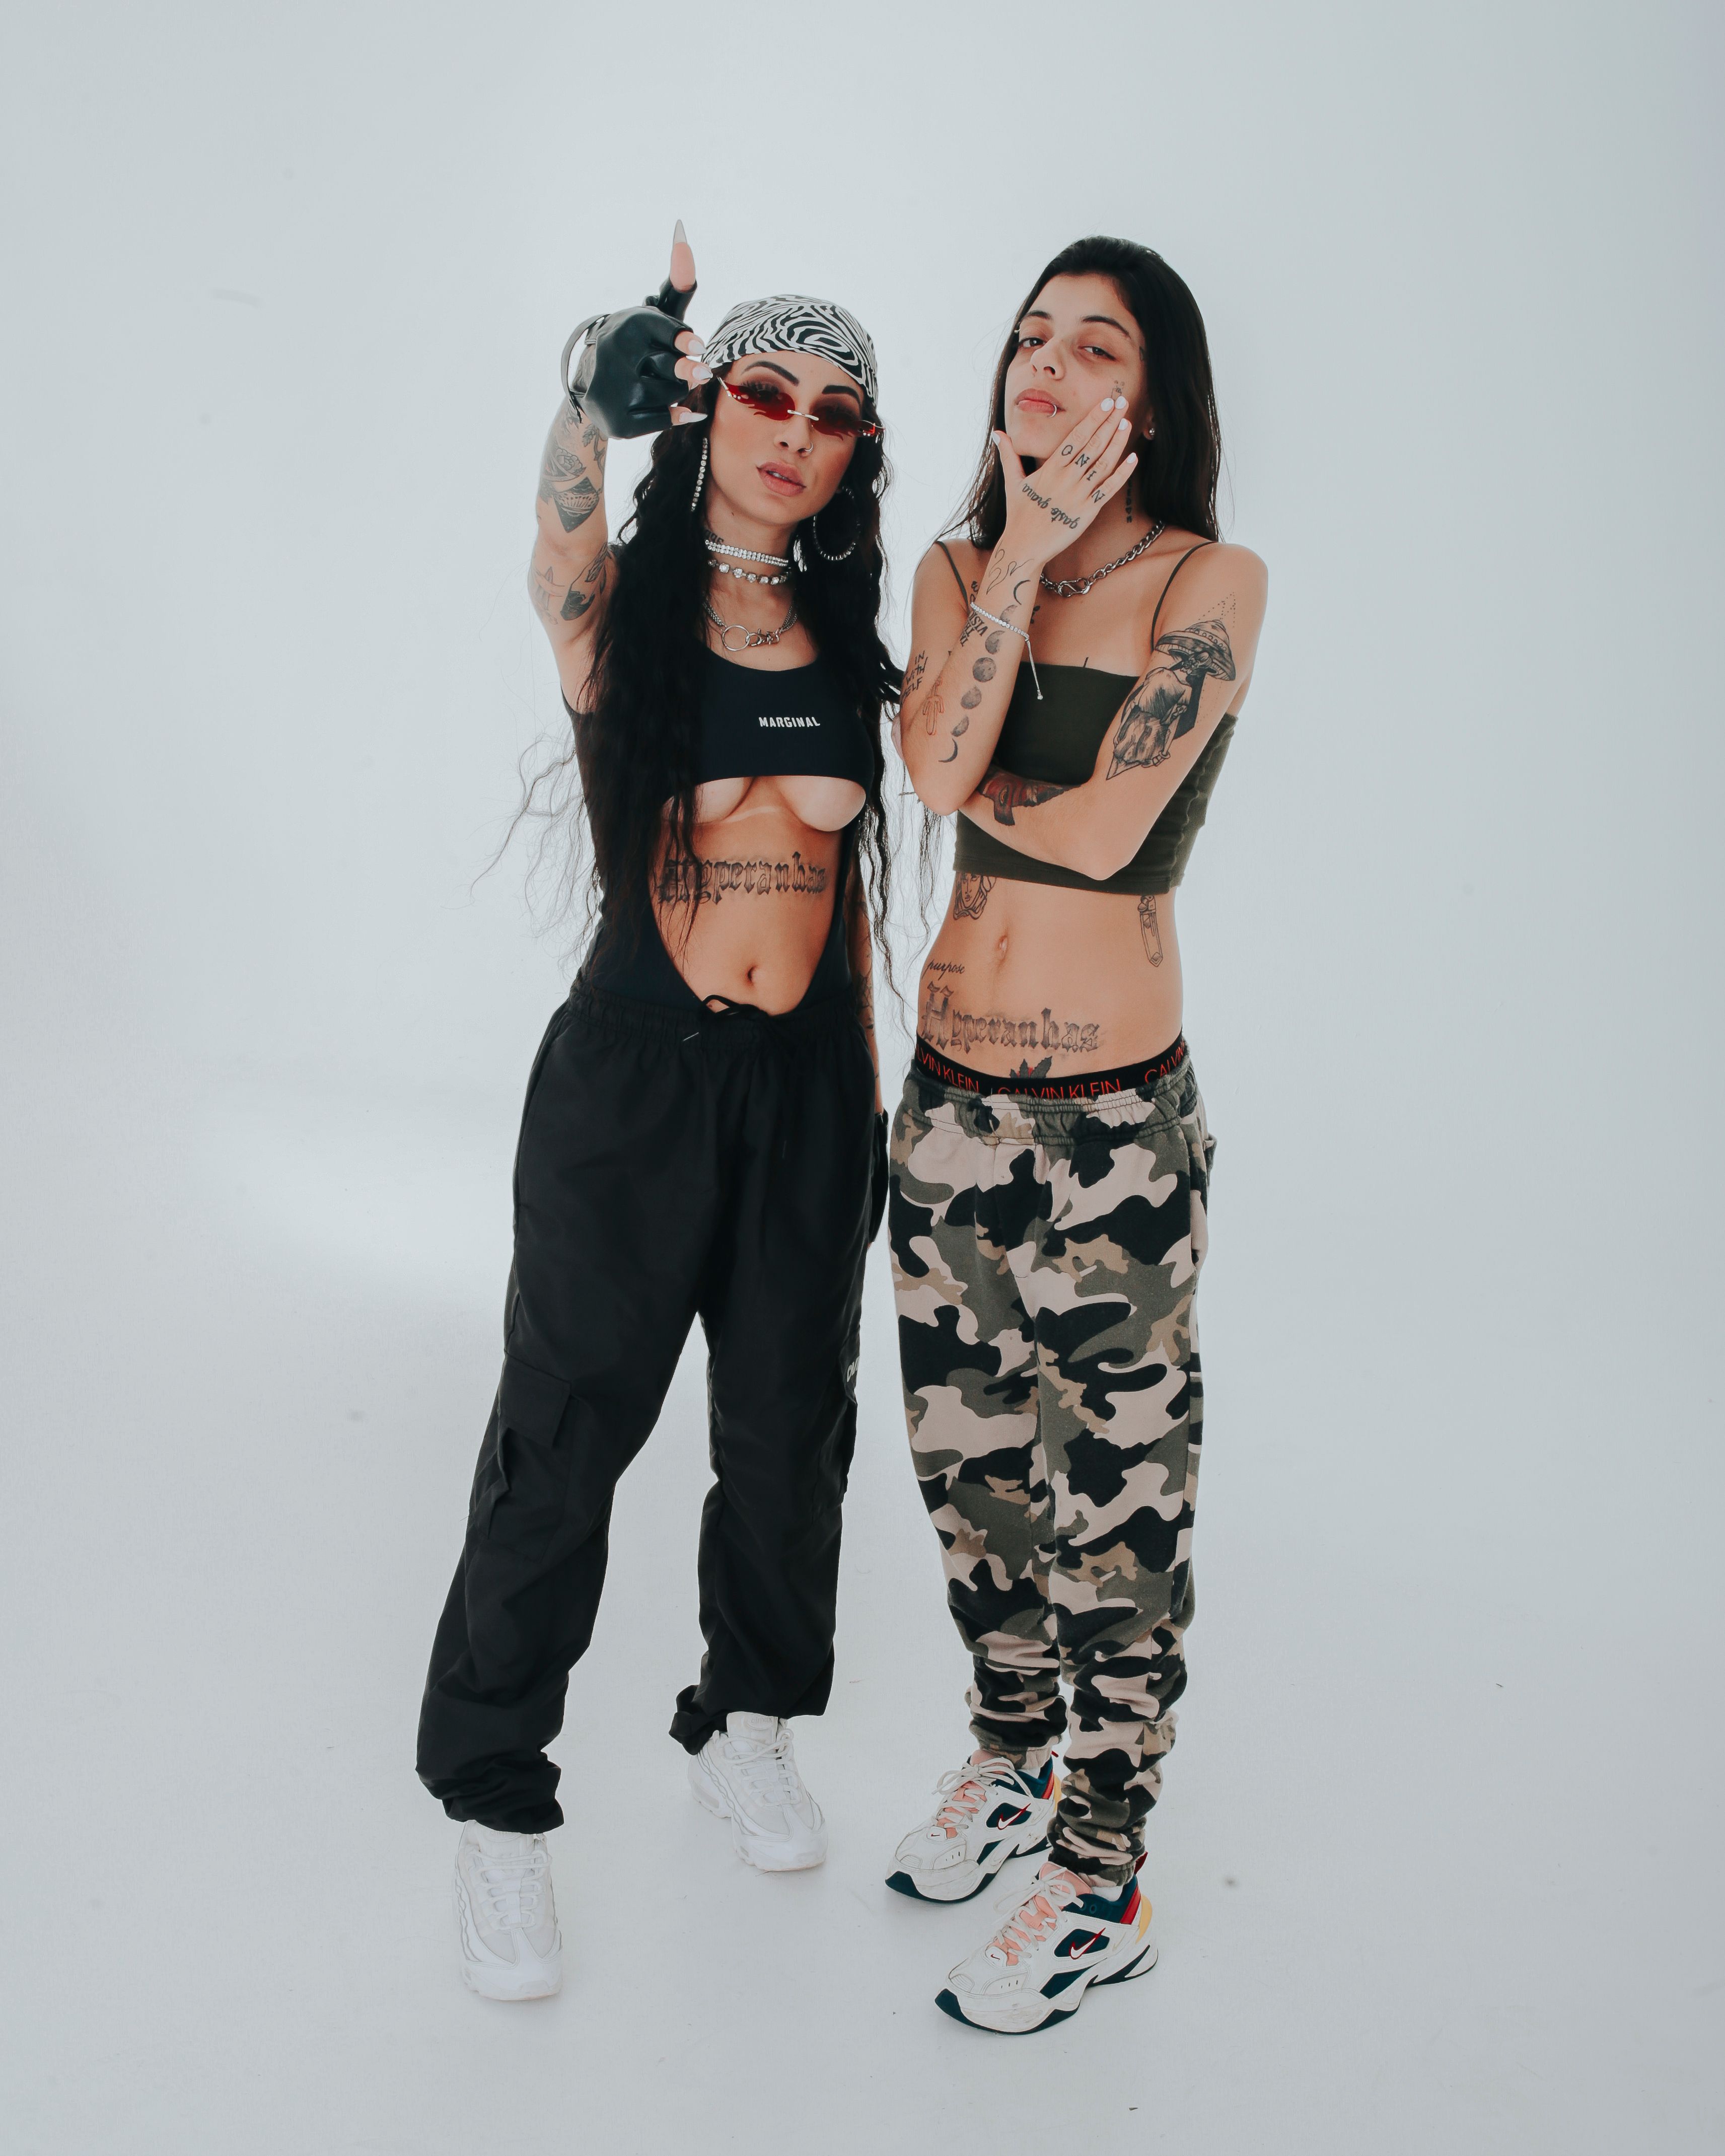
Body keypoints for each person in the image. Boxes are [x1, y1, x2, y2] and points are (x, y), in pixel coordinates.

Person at [416, 226, 897, 2001]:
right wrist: (585, 403)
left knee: (788, 1431)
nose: (794, 430)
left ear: (855, 453)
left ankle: (745, 1721)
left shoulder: (846, 635)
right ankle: (497, 1804)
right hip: (634, 1081)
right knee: (565, 1431)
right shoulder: (627, 606)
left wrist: (857, 1117)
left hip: (806, 1086)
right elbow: (552, 561)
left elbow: (847, 902)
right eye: (766, 392)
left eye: (833, 412)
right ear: (711, 411)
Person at [885, 235, 1267, 2032]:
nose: (1043, 365)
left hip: (1114, 1128)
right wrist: (1021, 567)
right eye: (1029, 335)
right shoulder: (959, 567)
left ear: (1155, 396)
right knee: (971, 1485)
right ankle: (1011, 1757)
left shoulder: (1210, 579)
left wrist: (989, 775)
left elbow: (1110, 834)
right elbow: (934, 774)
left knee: (1114, 1512)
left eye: (1092, 344)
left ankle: (1102, 1874)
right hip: (947, 1106)